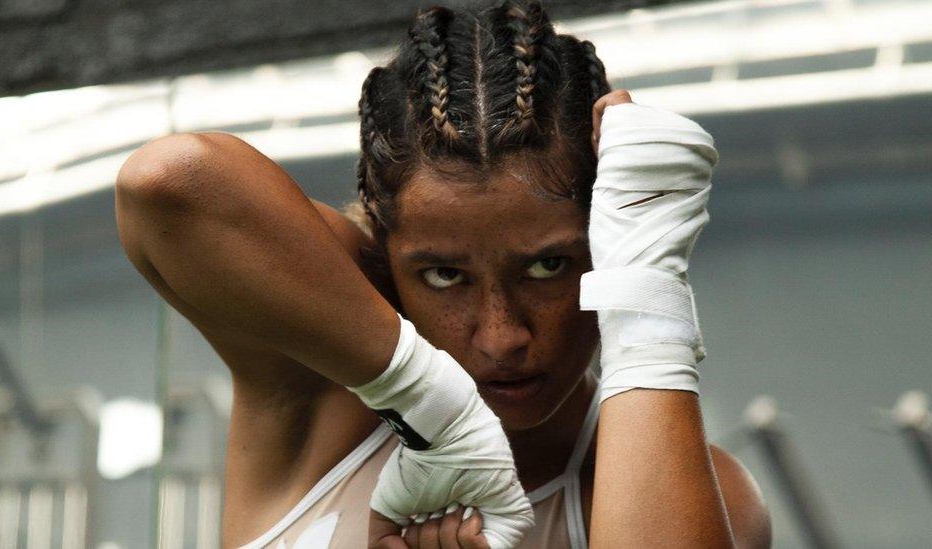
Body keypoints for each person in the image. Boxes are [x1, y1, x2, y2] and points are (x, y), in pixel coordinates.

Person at [114, 1, 772, 547]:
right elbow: (167, 182)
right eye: (444, 276)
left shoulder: (706, 497)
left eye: (548, 266)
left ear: (608, 236)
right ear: (382, 249)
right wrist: (435, 406)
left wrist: (647, 288)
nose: (501, 337)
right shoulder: (319, 388)